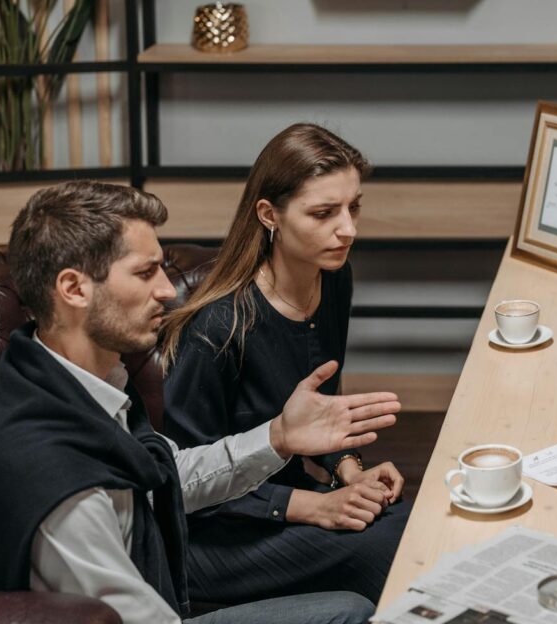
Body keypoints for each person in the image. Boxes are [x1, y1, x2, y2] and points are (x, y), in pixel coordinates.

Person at [0, 181, 398, 624]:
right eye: (144, 272)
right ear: (74, 289)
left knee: (353, 606)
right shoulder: (60, 487)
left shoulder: (69, 377)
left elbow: (167, 475)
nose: (168, 290)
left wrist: (278, 437)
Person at [159, 123, 409, 606]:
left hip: (286, 509)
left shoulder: (333, 277)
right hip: (210, 541)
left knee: (413, 520)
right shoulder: (219, 326)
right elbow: (182, 484)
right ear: (269, 215)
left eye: (353, 206)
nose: (348, 229)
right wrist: (315, 506)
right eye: (323, 213)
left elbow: (319, 412)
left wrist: (351, 473)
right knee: (392, 545)